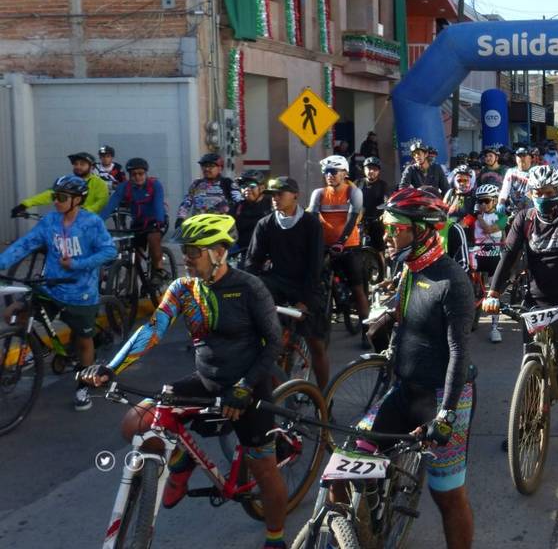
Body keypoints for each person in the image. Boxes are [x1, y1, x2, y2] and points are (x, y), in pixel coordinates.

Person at [79, 214, 288, 549]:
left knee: (263, 468)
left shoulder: (249, 287)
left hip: (248, 386)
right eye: (185, 251)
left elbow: (274, 343)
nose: (186, 258)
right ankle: (182, 459)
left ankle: (276, 537)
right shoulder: (184, 288)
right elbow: (153, 329)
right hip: (206, 380)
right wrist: (112, 367)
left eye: (194, 251)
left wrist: (245, 386)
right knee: (136, 423)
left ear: (219, 251)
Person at [358, 188, 476, 549]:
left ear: (423, 231)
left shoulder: (452, 281)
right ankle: (365, 524)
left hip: (443, 398)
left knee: (447, 496)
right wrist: (389, 313)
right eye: (387, 227)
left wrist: (446, 415)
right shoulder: (410, 268)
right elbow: (409, 315)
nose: (388, 236)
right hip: (406, 390)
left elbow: (458, 353)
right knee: (351, 460)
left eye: (396, 229)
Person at [482, 165, 558, 463]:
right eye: (538, 193)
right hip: (535, 302)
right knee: (529, 363)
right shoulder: (524, 218)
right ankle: (521, 425)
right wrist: (493, 293)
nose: (543, 198)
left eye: (549, 193)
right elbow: (508, 254)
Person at [0, 175, 117, 411]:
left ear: (77, 200)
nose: (56, 201)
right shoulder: (50, 221)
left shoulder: (91, 222)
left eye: (61, 197)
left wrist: (76, 264)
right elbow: (26, 244)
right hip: (51, 287)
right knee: (15, 315)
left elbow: (109, 252)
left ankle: (83, 384)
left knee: (84, 340)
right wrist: (2, 262)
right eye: (54, 196)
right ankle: (36, 347)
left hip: (81, 292)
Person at [248, 177, 330, 389]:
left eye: (279, 194)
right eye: (272, 195)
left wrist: (304, 302)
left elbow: (315, 267)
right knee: (268, 342)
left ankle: (324, 401)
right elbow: (252, 264)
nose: (275, 199)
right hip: (277, 287)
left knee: (316, 347)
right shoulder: (265, 224)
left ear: (295, 195)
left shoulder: (311, 224)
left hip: (307, 287)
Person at [309, 155, 370, 330]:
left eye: (334, 172)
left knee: (357, 288)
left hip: (349, 246)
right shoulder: (319, 193)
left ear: (344, 173)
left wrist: (341, 242)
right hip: (326, 246)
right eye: (326, 172)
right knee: (315, 282)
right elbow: (312, 216)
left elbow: (351, 220)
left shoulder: (353, 192)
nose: (330, 175)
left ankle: (366, 331)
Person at [101, 157, 169, 282]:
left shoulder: (155, 185)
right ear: (129, 175)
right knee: (135, 256)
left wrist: (159, 222)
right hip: (138, 223)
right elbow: (110, 206)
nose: (137, 177)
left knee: (153, 238)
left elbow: (158, 205)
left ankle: (158, 270)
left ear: (146, 173)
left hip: (156, 220)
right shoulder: (123, 187)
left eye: (141, 174)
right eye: (133, 174)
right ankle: (131, 285)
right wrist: (98, 222)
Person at [12, 151, 110, 217]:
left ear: (92, 167)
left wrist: (85, 211)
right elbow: (50, 195)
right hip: (66, 219)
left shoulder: (99, 183)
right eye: (76, 164)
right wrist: (25, 204)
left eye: (82, 164)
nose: (78, 166)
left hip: (88, 223)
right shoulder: (66, 181)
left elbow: (101, 203)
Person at [472, 184, 508, 342]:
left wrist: (477, 216)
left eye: (486, 201)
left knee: (494, 294)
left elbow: (488, 230)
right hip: (477, 256)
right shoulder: (473, 217)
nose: (483, 204)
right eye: (480, 201)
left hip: (494, 257)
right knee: (472, 290)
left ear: (494, 201)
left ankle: (495, 328)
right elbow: (457, 226)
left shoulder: (502, 217)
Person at [175, 153, 241, 226]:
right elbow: (186, 202)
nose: (206, 169)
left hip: (221, 228)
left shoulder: (227, 183)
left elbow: (239, 201)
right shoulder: (196, 183)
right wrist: (180, 218)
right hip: (198, 227)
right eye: (204, 166)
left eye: (211, 166)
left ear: (220, 168)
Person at [233, 171, 272, 253]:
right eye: (244, 186)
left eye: (252, 186)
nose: (247, 189)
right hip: (242, 253)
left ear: (262, 188)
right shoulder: (237, 207)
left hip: (266, 254)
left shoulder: (272, 205)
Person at [357, 156, 389, 248]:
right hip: (359, 221)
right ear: (364, 169)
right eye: (368, 168)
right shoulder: (357, 183)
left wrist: (384, 213)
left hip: (376, 222)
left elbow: (386, 201)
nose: (371, 171)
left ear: (378, 171)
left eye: (374, 169)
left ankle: (382, 262)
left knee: (379, 248)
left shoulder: (383, 185)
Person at [497, 146, 535, 214]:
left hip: (530, 210)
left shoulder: (535, 171)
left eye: (524, 155)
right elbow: (505, 189)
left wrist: (523, 202)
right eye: (519, 156)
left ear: (530, 158)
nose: (521, 158)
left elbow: (534, 191)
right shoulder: (511, 171)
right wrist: (501, 202)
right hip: (513, 209)